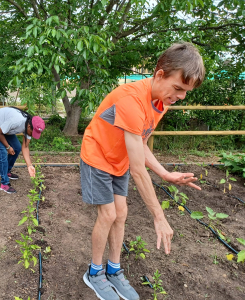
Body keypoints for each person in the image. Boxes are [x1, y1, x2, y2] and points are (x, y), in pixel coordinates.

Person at [80, 42, 205, 300]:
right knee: (108, 214)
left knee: (122, 213)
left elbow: (141, 143)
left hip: (120, 158)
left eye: (185, 92)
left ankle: (113, 270)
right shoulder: (131, 100)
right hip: (98, 155)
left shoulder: (160, 100)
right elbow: (138, 170)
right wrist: (159, 216)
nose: (180, 96)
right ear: (159, 75)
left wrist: (165, 174)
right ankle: (94, 273)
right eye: (178, 88)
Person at [0, 107, 45, 194]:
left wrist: (29, 166)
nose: (33, 135)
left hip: (4, 127)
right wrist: (8, 147)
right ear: (28, 127)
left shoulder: (29, 126)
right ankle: (4, 183)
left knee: (16, 147)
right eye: (33, 132)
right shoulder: (17, 121)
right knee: (2, 152)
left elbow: (25, 147)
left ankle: (6, 171)